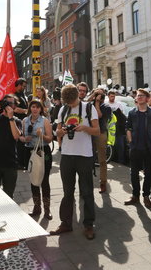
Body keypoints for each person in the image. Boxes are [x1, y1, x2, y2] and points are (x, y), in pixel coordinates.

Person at [50, 84, 100, 240]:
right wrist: (62, 131)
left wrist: (84, 128)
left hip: (84, 155)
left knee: (87, 191)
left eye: (72, 102)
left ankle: (89, 225)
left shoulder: (88, 108)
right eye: (68, 102)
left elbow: (97, 131)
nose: (71, 105)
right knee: (67, 192)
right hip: (66, 155)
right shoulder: (63, 109)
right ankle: (65, 223)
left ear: (78, 96)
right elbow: (56, 132)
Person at [124, 89, 151, 208]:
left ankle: (146, 195)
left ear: (147, 98)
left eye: (141, 96)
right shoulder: (132, 113)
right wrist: (131, 142)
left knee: (149, 173)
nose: (139, 97)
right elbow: (128, 128)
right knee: (133, 173)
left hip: (149, 148)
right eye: (138, 96)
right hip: (135, 148)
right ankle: (135, 195)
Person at [20, 100, 53, 219]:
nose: (35, 109)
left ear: (41, 109)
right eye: (33, 107)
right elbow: (21, 137)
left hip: (43, 151)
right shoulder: (25, 121)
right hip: (29, 152)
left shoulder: (44, 121)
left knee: (44, 180)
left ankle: (47, 209)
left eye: (37, 107)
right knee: (33, 180)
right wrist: (24, 139)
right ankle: (36, 207)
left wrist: (42, 136)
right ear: (30, 108)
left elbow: (50, 139)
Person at [89, 88, 112, 193]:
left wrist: (97, 102)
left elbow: (98, 115)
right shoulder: (89, 104)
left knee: (102, 159)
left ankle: (103, 182)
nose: (100, 97)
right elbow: (83, 103)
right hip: (89, 133)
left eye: (102, 95)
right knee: (88, 158)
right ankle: (87, 182)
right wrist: (93, 95)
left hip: (101, 133)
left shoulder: (106, 106)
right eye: (98, 95)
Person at [13, 78, 28, 169]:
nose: (24, 88)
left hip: (24, 122)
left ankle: (23, 162)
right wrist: (26, 111)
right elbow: (15, 109)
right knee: (19, 143)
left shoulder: (23, 95)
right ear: (18, 85)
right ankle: (19, 163)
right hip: (18, 122)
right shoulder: (15, 96)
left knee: (23, 143)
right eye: (23, 86)